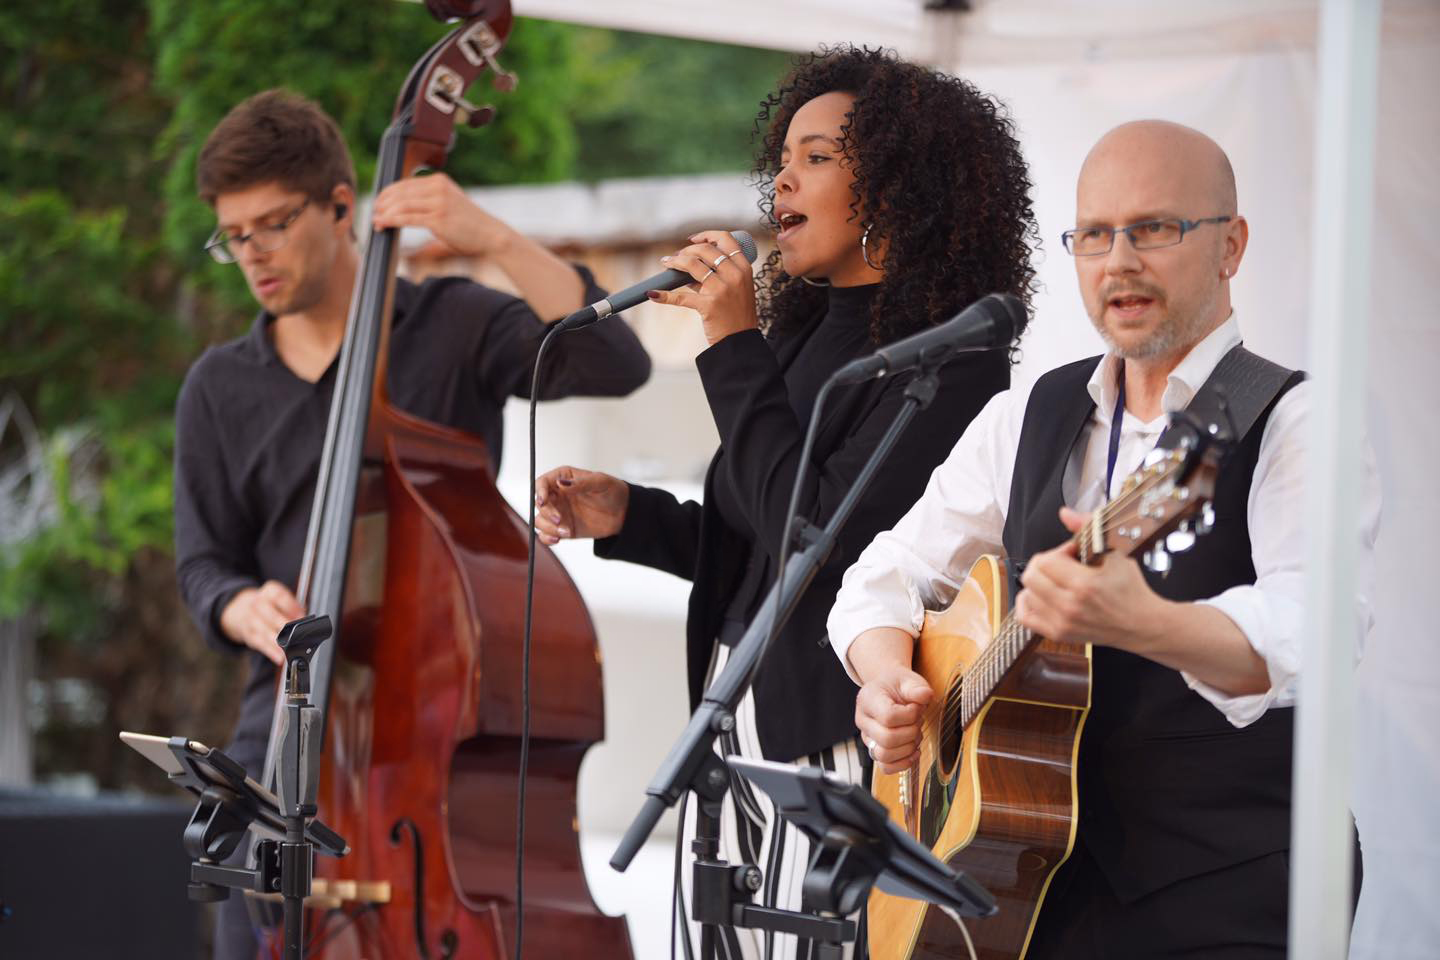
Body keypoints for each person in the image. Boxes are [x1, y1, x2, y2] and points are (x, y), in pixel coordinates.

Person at [828, 119, 1381, 958]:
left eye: (1155, 228)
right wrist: (887, 681)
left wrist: (1144, 621)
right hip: (1027, 886)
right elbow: (885, 572)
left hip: (1230, 893)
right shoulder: (1028, 414)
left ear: (1230, 246)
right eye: (1094, 234)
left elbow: (1316, 631)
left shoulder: (1292, 423)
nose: (1119, 259)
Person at [533, 47, 1038, 959]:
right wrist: (634, 518)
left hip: (836, 757)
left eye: (817, 157)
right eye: (784, 160)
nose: (782, 184)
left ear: (893, 182)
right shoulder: (808, 330)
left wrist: (731, 345)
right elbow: (761, 547)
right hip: (737, 741)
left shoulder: (947, 362)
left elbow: (825, 544)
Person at [171, 88, 650, 960]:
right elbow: (203, 564)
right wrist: (241, 608)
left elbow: (616, 362)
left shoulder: (453, 324)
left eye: (273, 225)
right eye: (233, 238)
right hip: (285, 731)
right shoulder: (218, 387)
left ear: (342, 205)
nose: (253, 256)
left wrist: (497, 241)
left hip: (440, 740)